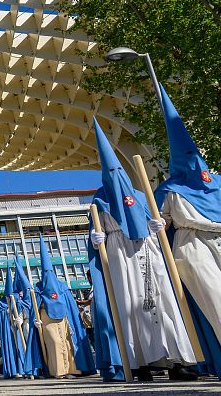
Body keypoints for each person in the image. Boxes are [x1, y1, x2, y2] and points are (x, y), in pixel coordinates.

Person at [89, 118, 198, 382]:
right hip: (119, 255)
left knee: (164, 304)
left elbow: (160, 220)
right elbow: (94, 235)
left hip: (148, 250)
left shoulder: (141, 195)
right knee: (129, 306)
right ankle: (139, 363)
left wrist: (158, 225)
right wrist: (95, 238)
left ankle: (177, 361)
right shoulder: (99, 200)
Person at [154, 86, 221, 378]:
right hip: (192, 247)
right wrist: (156, 224)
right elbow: (157, 223)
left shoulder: (217, 181)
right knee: (216, 301)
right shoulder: (168, 190)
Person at [32, 235, 95, 378]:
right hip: (46, 321)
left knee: (68, 344)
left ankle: (73, 369)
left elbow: (71, 305)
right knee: (53, 344)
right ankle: (57, 371)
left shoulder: (62, 287)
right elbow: (34, 307)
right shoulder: (38, 288)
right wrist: (35, 320)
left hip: (64, 321)